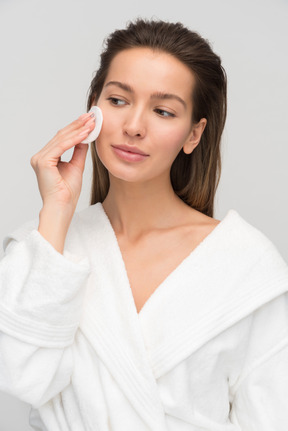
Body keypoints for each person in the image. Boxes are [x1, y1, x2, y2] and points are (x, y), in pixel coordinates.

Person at [0, 18, 287, 431]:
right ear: (93, 109)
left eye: (164, 111)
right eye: (118, 100)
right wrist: (56, 212)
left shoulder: (246, 267)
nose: (134, 126)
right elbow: (21, 377)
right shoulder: (44, 246)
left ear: (193, 134)